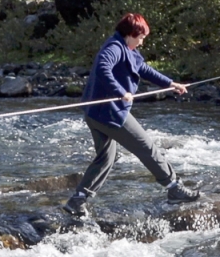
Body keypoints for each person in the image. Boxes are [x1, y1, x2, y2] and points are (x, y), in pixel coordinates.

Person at [63, 13, 200, 217]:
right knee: (147, 147)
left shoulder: (127, 48)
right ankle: (174, 188)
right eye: (141, 37)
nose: (142, 41)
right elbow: (103, 68)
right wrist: (121, 92)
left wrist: (170, 84)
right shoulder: (114, 48)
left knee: (106, 157)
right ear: (131, 34)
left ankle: (78, 200)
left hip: (94, 114)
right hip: (111, 113)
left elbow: (143, 69)